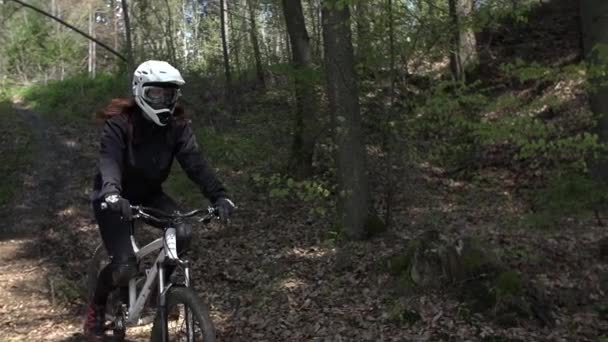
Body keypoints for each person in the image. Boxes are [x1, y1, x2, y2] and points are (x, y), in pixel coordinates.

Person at [83, 60, 235, 340]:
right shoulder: (120, 124)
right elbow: (109, 161)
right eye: (156, 94)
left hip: (149, 194)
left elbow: (195, 164)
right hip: (111, 197)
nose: (163, 100)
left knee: (183, 230)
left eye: (169, 94)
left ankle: (159, 293)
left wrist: (219, 195)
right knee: (125, 266)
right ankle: (97, 304)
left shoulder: (176, 126)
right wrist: (112, 193)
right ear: (140, 91)